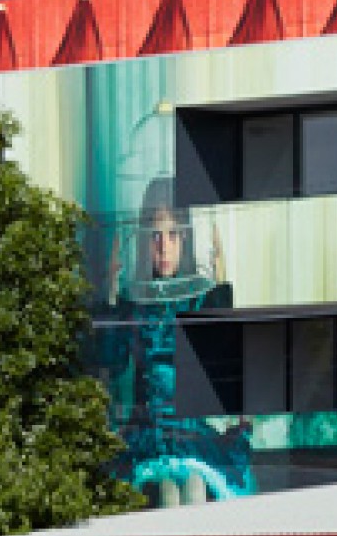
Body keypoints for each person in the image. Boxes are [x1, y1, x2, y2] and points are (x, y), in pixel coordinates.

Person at [100, 177, 250, 506]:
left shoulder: (196, 301)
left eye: (172, 235)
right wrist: (111, 288)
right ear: (144, 241)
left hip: (190, 432)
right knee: (167, 489)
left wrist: (220, 278)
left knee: (195, 485)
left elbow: (224, 352)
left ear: (184, 239)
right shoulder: (135, 304)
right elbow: (113, 358)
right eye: (155, 236)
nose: (163, 247)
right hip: (147, 433)